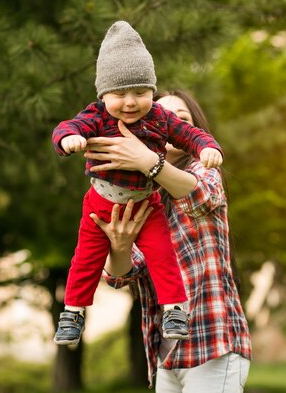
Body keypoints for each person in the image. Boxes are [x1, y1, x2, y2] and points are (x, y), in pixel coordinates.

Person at [51, 21, 223, 346]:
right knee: (86, 258)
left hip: (146, 202)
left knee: (162, 253)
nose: (130, 102)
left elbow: (191, 136)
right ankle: (73, 312)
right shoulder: (98, 116)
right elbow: (67, 127)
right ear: (103, 95)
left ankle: (174, 308)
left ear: (151, 92)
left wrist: (209, 148)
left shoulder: (160, 118)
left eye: (141, 93)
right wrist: (70, 139)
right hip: (100, 203)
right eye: (120, 94)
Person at [86, 89, 252, 392]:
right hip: (166, 355)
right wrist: (119, 247)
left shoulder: (203, 170)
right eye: (161, 116)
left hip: (211, 345)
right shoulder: (140, 195)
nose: (171, 122)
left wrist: (147, 160)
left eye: (182, 118)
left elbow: (201, 197)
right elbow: (122, 274)